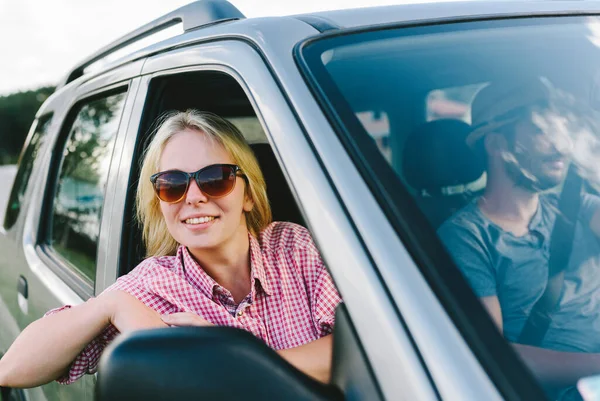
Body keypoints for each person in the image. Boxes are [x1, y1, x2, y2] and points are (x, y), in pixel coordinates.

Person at [0, 110, 342, 388]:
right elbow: (11, 369)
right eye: (172, 185)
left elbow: (359, 350)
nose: (193, 197)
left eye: (215, 178)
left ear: (248, 194)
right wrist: (111, 304)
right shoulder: (150, 288)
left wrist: (229, 358)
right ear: (159, 203)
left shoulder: (292, 246)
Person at [438, 78, 600, 398]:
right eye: (542, 131)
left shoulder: (573, 205)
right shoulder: (466, 238)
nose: (561, 146)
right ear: (496, 145)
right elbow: (495, 355)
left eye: (562, 132)